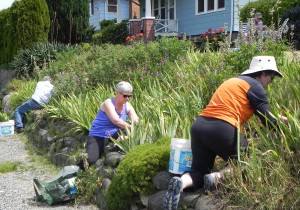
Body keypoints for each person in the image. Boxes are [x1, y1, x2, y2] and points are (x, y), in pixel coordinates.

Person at [163, 56, 288, 210]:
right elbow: (269, 121)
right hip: (222, 128)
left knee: (199, 171)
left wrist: (278, 118)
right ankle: (216, 177)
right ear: (262, 73)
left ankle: (180, 183)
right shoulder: (256, 86)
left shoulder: (233, 82)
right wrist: (287, 134)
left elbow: (261, 114)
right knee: (247, 161)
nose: (271, 81)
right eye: (272, 77)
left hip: (200, 126)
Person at [78, 81, 139, 170]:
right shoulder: (108, 103)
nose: (127, 99)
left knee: (128, 133)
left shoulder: (127, 105)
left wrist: (137, 125)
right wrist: (131, 127)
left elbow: (135, 119)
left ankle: (115, 147)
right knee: (91, 160)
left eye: (129, 96)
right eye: (125, 96)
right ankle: (76, 169)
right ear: (117, 93)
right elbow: (116, 121)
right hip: (99, 135)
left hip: (115, 133)